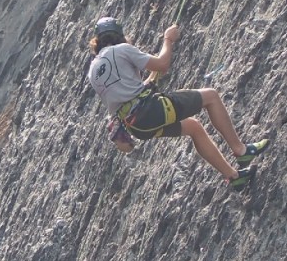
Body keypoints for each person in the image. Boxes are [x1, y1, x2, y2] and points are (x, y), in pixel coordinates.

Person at [87, 17, 270, 190]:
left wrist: (149, 81)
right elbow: (162, 64)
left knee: (193, 127)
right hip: (151, 110)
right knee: (211, 96)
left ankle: (234, 177)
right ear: (119, 36)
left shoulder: (93, 71)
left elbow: (123, 94)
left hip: (137, 126)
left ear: (98, 41)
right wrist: (168, 39)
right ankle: (241, 150)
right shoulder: (120, 50)